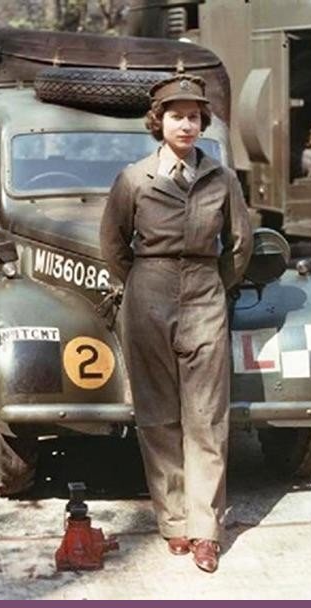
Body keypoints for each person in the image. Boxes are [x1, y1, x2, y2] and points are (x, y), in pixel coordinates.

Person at [100, 74, 253, 573]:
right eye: (175, 115)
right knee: (159, 415)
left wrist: (213, 286)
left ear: (203, 122)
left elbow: (239, 246)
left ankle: (206, 529)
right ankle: (174, 523)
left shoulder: (221, 179)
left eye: (194, 116)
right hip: (148, 295)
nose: (185, 124)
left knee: (207, 416)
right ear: (158, 122)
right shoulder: (133, 179)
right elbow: (114, 247)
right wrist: (146, 283)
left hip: (205, 294)